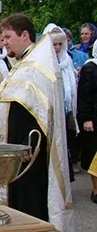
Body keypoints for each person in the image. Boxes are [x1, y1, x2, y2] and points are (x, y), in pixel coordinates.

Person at [0, 13, 76, 232]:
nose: (4, 42)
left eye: (8, 37)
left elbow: (38, 112)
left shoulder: (37, 67)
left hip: (31, 159)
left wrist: (27, 146)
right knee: (20, 208)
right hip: (17, 157)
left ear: (25, 35)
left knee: (32, 209)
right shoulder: (23, 64)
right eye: (2, 37)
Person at [43, 24, 78, 182]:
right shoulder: (44, 61)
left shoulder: (67, 60)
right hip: (50, 109)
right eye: (54, 44)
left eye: (60, 44)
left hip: (66, 109)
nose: (57, 47)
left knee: (65, 146)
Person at [77, 40, 97, 204]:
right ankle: (96, 190)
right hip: (94, 118)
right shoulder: (90, 67)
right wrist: (86, 118)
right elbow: (84, 95)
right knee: (94, 156)